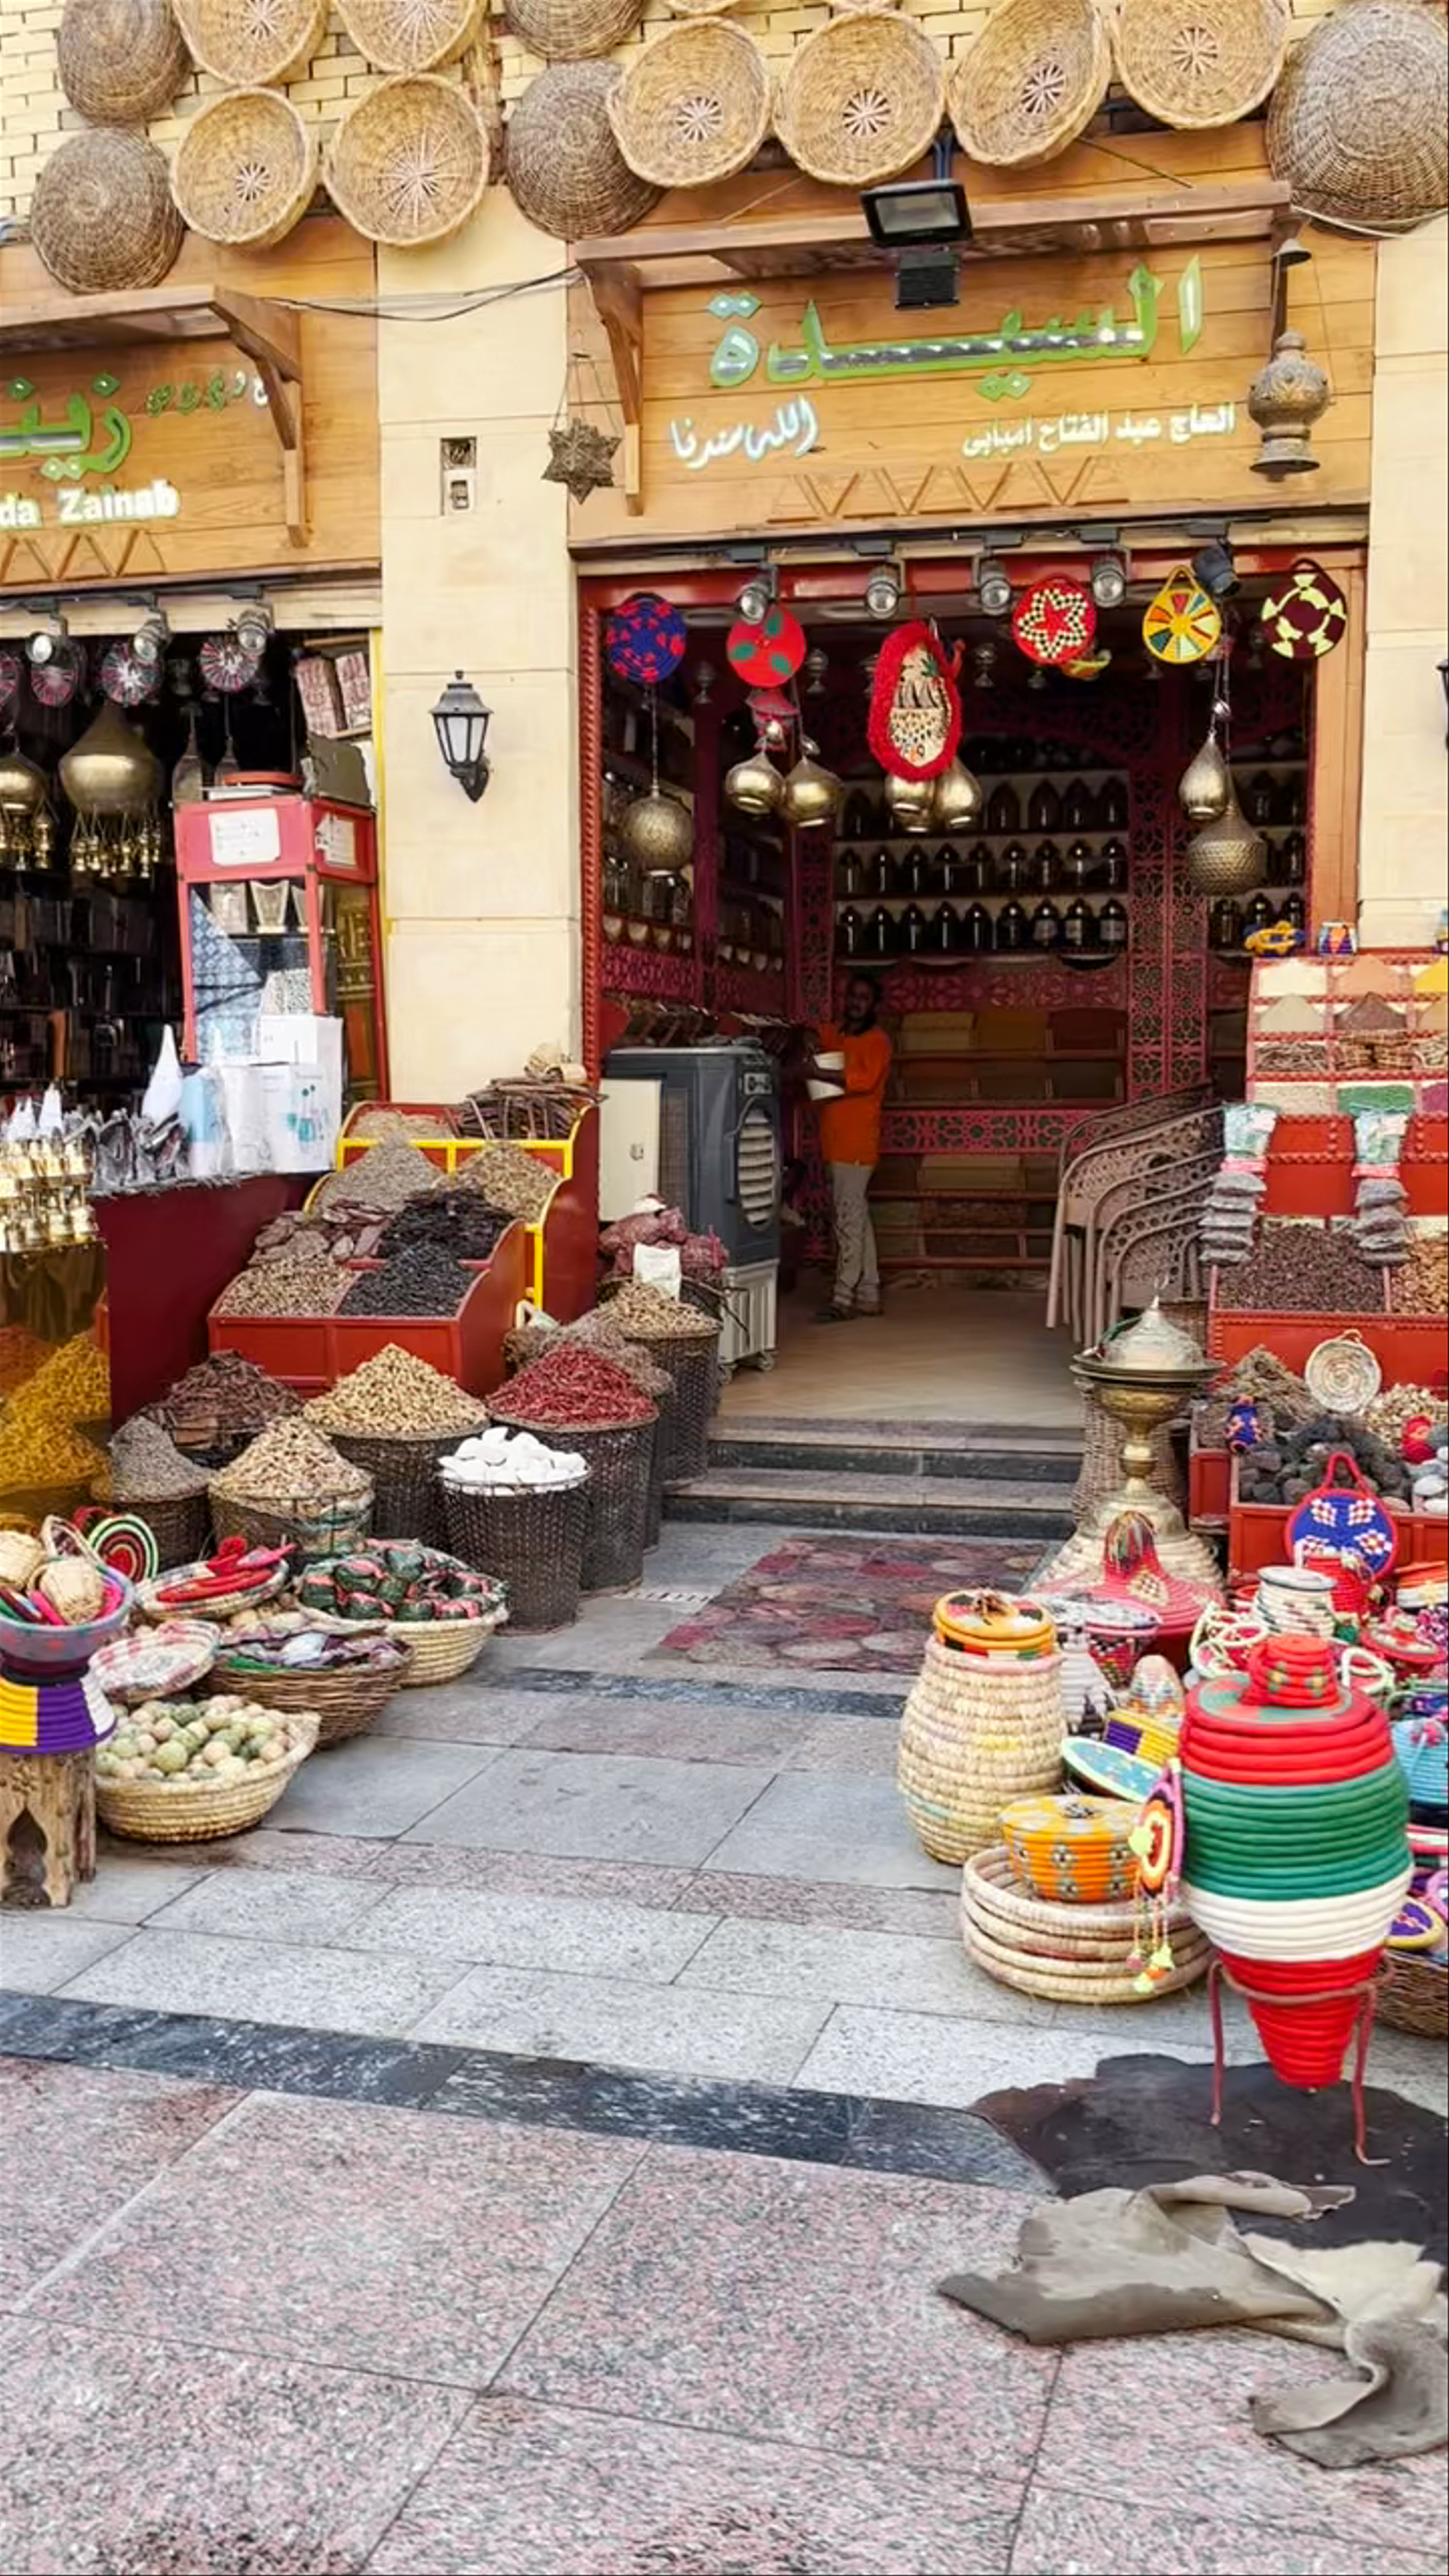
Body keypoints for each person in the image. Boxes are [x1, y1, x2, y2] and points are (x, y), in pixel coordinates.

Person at [812, 975, 892, 1322]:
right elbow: (813, 1042)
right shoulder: (836, 1035)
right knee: (857, 1218)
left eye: (864, 997)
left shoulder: (878, 1042)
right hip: (836, 1141)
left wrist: (817, 1071)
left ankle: (843, 1297)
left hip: (857, 1144)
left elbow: (863, 1080)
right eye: (852, 995)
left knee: (848, 1220)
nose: (856, 1002)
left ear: (874, 1005)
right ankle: (869, 1291)